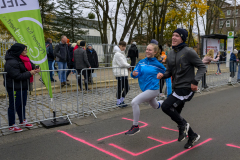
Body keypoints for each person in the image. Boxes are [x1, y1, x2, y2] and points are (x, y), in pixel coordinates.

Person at [157, 28, 206, 149]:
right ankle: (192, 135)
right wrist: (163, 75)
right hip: (176, 88)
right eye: (173, 35)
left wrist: (195, 82)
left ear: (182, 38)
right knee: (176, 113)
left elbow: (202, 67)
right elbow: (169, 71)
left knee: (166, 106)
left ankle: (183, 126)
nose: (173, 37)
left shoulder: (189, 52)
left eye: (177, 36)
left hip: (186, 89)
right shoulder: (171, 53)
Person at [125, 43, 171, 135]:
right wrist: (133, 74)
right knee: (156, 106)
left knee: (134, 102)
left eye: (150, 50)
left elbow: (168, 76)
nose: (147, 51)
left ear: (155, 52)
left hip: (153, 90)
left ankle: (135, 126)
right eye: (146, 49)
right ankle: (167, 102)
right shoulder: (141, 62)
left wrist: (169, 92)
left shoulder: (158, 65)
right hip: (145, 90)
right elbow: (136, 73)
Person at [4, 43, 41, 132]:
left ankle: (22, 120)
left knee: (22, 104)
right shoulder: (11, 61)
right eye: (24, 50)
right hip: (14, 87)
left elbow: (31, 66)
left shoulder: (25, 59)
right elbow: (16, 75)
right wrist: (30, 73)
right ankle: (11, 125)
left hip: (23, 85)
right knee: (13, 105)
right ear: (19, 51)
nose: (26, 51)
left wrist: (36, 69)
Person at [112, 41, 130, 107]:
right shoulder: (117, 54)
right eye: (123, 46)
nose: (124, 48)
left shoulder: (122, 53)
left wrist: (127, 66)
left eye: (125, 46)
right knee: (120, 88)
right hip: (120, 73)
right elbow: (122, 64)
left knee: (126, 88)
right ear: (119, 46)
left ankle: (121, 100)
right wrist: (129, 65)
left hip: (123, 73)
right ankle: (118, 102)